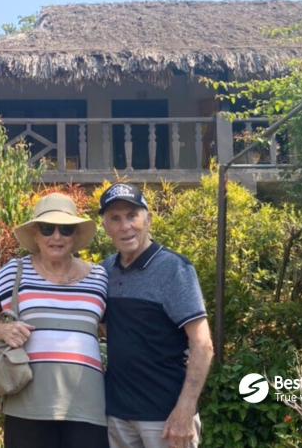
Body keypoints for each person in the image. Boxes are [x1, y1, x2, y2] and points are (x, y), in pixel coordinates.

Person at [0, 192, 110, 448]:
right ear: (35, 234)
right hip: (28, 407)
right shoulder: (13, 272)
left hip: (89, 406)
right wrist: (3, 331)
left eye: (65, 229)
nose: (56, 236)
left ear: (76, 235)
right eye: (47, 228)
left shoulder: (99, 277)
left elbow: (116, 333)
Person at [98, 183, 214, 448]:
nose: (124, 226)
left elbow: (203, 345)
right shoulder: (105, 270)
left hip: (165, 417)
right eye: (114, 218)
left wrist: (185, 409)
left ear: (147, 219)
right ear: (105, 227)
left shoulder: (174, 269)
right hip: (117, 414)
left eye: (131, 215)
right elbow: (107, 326)